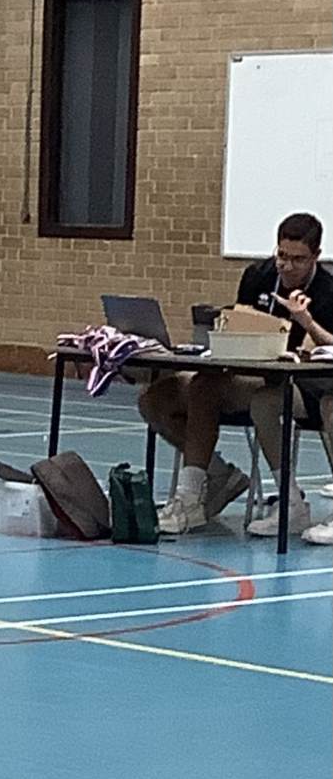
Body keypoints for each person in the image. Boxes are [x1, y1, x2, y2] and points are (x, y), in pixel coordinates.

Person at [139, 212, 333, 536]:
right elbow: (240, 321)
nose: (287, 266)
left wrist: (307, 322)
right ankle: (202, 486)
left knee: (261, 401)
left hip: (305, 384)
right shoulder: (258, 276)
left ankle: (290, 502)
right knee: (169, 394)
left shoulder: (327, 290)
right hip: (251, 373)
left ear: (316, 256)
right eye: (282, 256)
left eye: (298, 260)